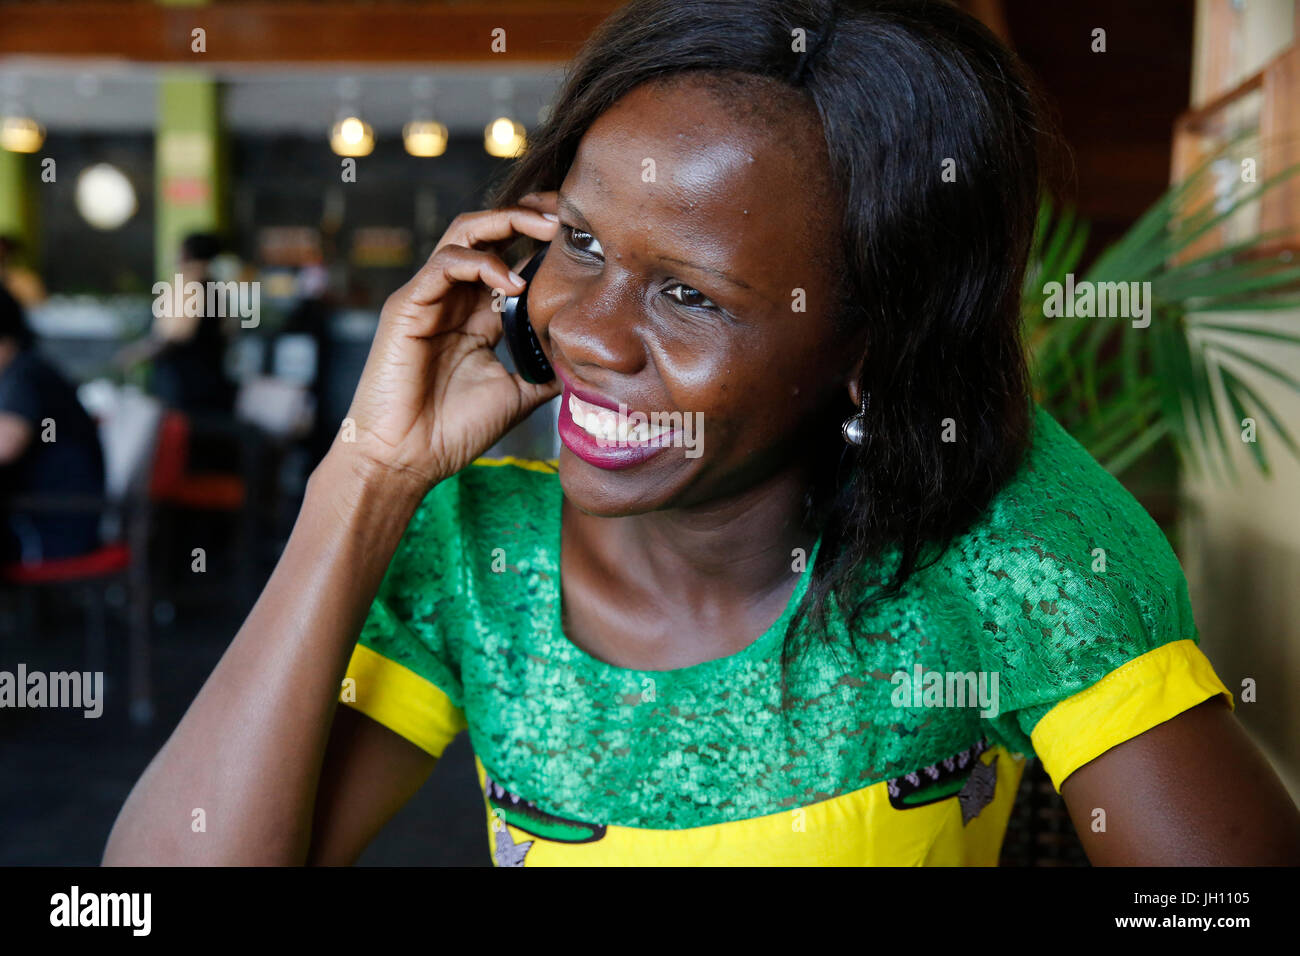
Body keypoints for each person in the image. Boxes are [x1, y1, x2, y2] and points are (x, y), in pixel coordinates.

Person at [104, 0, 1300, 866]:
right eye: (577, 240)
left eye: (689, 295)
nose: (587, 331)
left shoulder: (998, 543)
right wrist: (365, 477)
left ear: (869, 346)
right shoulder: (476, 556)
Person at [0, 285, 105, 564]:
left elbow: (6, 445)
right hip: (51, 518)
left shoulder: (24, 376)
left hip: (51, 530)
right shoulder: (25, 368)